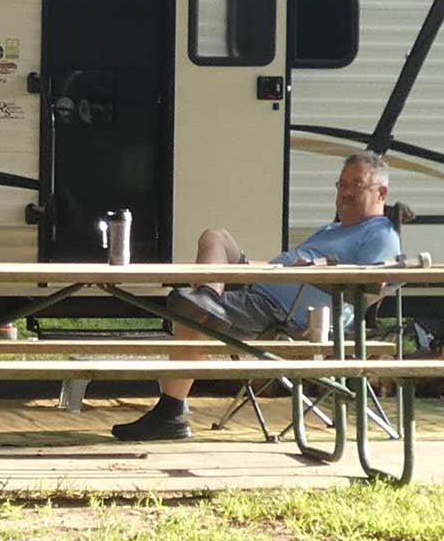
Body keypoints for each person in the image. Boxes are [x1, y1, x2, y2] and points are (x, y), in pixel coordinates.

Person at [110, 149, 398, 443]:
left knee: (193, 313)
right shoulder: (334, 228)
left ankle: (170, 414)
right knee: (216, 237)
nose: (346, 192)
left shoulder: (380, 232)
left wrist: (315, 269)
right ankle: (209, 295)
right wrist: (252, 267)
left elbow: (375, 280)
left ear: (381, 192)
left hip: (289, 312)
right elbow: (282, 266)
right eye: (342, 185)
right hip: (266, 287)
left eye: (356, 185)